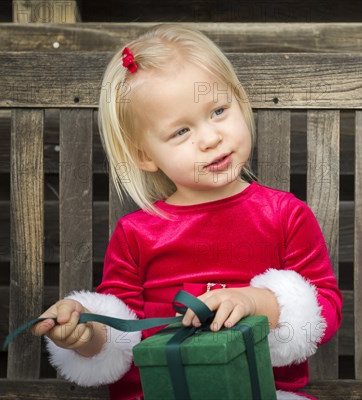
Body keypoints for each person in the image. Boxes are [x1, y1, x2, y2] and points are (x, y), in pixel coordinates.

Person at [31, 24, 342, 400]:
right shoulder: (137, 233)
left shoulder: (283, 215)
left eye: (219, 111)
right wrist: (86, 333)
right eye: (180, 132)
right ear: (145, 156)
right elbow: (120, 335)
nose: (211, 138)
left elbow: (324, 310)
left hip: (261, 391)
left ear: (240, 103)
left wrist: (255, 302)